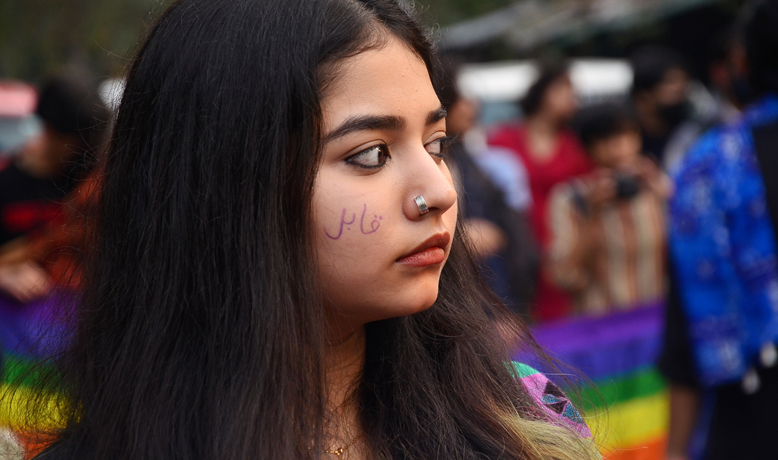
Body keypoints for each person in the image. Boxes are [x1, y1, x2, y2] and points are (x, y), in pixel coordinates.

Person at [8, 1, 600, 459]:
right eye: (370, 154)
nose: (440, 192)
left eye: (436, 143)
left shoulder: (526, 421)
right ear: (225, 187)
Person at [660, 0, 778, 458]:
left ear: (743, 63)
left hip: (761, 417)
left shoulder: (710, 167)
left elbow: (689, 324)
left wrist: (677, 449)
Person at [488, 64, 594, 321]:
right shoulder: (503, 139)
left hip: (560, 248)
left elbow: (585, 200)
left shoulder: (575, 145)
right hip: (517, 244)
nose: (572, 99)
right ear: (543, 91)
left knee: (556, 319)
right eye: (564, 90)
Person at [437, 60, 538, 317]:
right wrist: (458, 241)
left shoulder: (467, 161)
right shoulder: (430, 163)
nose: (472, 106)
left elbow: (504, 232)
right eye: (462, 97)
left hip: (491, 301)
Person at [547, 104, 670, 315]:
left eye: (627, 135)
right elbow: (564, 276)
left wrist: (664, 194)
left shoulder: (655, 188)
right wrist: (591, 215)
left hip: (656, 317)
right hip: (601, 325)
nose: (618, 146)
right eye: (606, 139)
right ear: (589, 147)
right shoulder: (571, 198)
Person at [0, 71, 108, 302]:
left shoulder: (86, 185)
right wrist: (4, 276)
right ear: (50, 131)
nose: (87, 153)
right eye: (79, 143)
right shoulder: (6, 183)